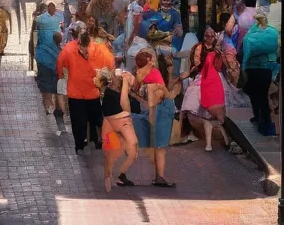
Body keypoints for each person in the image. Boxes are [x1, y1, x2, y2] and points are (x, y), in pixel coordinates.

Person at [56, 26, 114, 153]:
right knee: (80, 121)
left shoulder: (96, 48)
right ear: (79, 43)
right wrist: (61, 76)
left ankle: (99, 141)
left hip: (91, 92)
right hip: (77, 93)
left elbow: (109, 61)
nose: (85, 50)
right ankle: (80, 145)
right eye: (82, 48)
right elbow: (60, 63)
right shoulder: (70, 49)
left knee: (96, 120)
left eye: (86, 47)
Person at [130, 49, 177, 187]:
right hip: (163, 107)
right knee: (161, 147)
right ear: (148, 62)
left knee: (158, 145)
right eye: (150, 59)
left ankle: (159, 177)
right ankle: (160, 178)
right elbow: (155, 97)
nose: (153, 61)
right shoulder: (153, 73)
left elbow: (138, 94)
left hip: (160, 107)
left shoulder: (139, 76)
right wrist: (151, 115)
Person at [186, 27, 230, 151]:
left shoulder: (217, 50)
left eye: (212, 36)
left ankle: (221, 138)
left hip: (214, 78)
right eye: (207, 36)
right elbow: (196, 64)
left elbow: (221, 66)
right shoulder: (199, 48)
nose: (209, 38)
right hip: (203, 76)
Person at [96, 67, 139, 190]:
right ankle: (114, 176)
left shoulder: (110, 92)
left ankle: (115, 176)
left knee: (128, 152)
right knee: (127, 149)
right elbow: (125, 104)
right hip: (118, 123)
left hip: (113, 123)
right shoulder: (112, 92)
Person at [242, 8, 279, 136]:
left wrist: (255, 46)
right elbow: (247, 49)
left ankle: (266, 124)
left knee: (261, 95)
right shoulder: (252, 31)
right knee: (255, 93)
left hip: (264, 67)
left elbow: (272, 47)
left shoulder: (270, 32)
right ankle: (259, 118)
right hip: (255, 67)